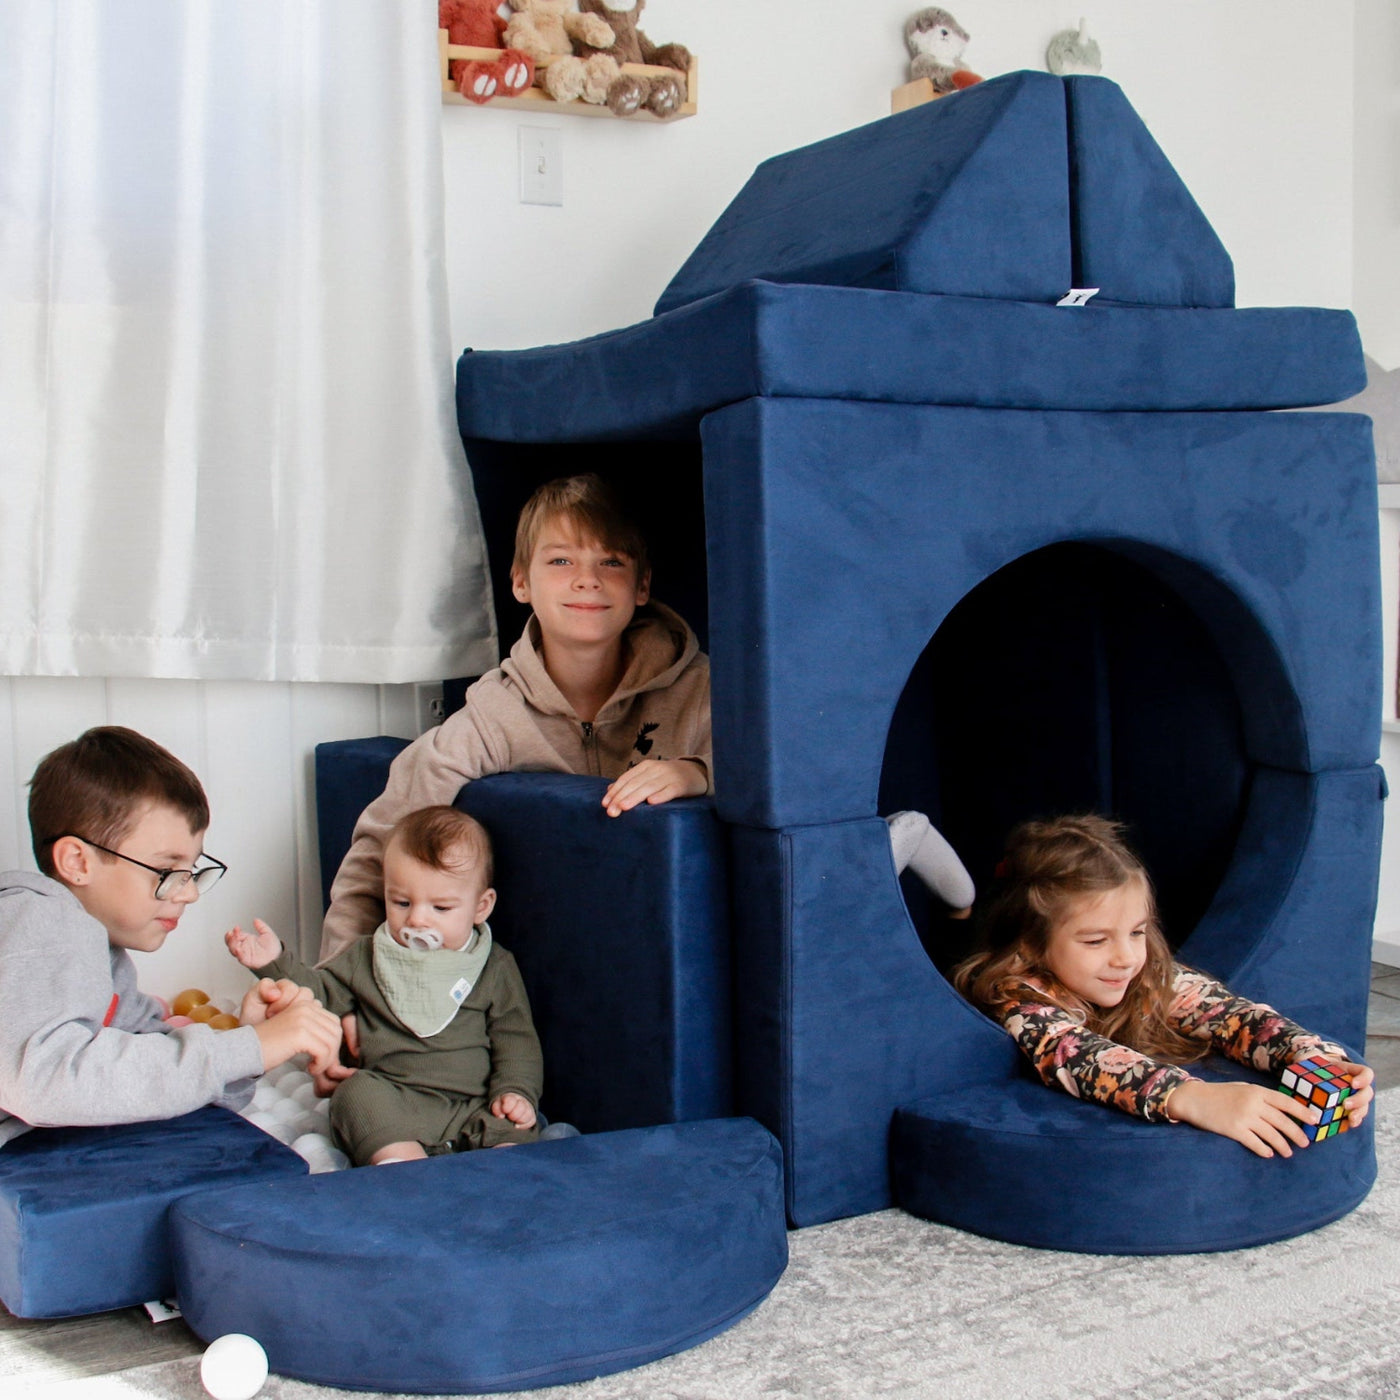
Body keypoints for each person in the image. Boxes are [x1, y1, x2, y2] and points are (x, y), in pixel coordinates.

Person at [320, 473, 712, 961]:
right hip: (543, 953)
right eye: (561, 560)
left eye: (610, 561)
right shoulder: (495, 712)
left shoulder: (697, 688)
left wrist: (695, 771)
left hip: (665, 946)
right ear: (521, 581)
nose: (587, 578)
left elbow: (785, 773)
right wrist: (338, 990)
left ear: (642, 585)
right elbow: (382, 843)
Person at [952, 814, 1374, 1158]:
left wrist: (1310, 1056)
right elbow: (1077, 1055)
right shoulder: (1018, 998)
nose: (1125, 957)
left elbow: (1231, 1015)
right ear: (1031, 944)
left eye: (1137, 932)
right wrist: (1191, 1097)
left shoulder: (1143, 970)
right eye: (1096, 940)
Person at [0, 726, 342, 1149]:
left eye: (193, 872)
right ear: (77, 861)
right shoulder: (41, 919)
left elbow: (152, 1072)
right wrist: (253, 1046)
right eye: (168, 872)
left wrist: (246, 1041)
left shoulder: (105, 958)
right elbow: (45, 1082)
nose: (190, 891)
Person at [228, 805, 549, 1165]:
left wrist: (515, 1091)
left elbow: (516, 1040)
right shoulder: (368, 955)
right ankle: (400, 1161)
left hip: (473, 1105)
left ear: (481, 906)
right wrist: (274, 961)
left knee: (513, 1123)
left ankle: (500, 1163)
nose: (417, 919)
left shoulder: (494, 966)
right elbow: (317, 993)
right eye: (401, 902)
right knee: (354, 1094)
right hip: (394, 1097)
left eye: (441, 908)